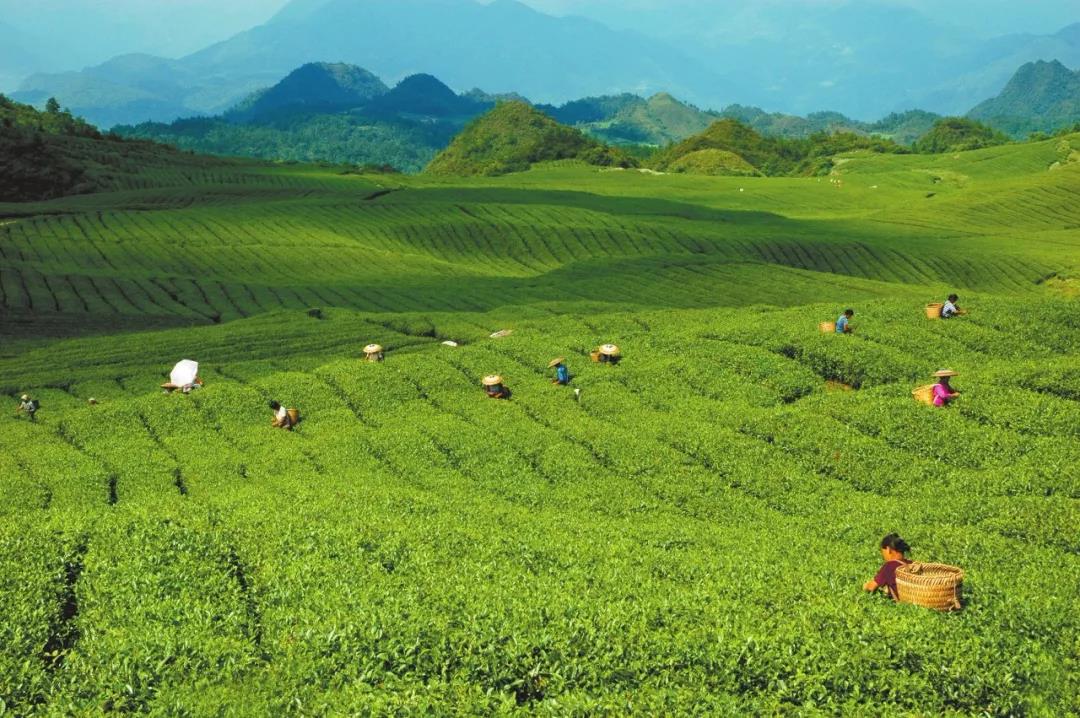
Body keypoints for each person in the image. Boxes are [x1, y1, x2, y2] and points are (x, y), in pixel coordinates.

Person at [863, 533, 912, 601]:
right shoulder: (911, 563)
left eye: (882, 551)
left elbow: (871, 587)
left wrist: (864, 586)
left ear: (888, 549)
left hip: (905, 603)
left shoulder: (889, 566)